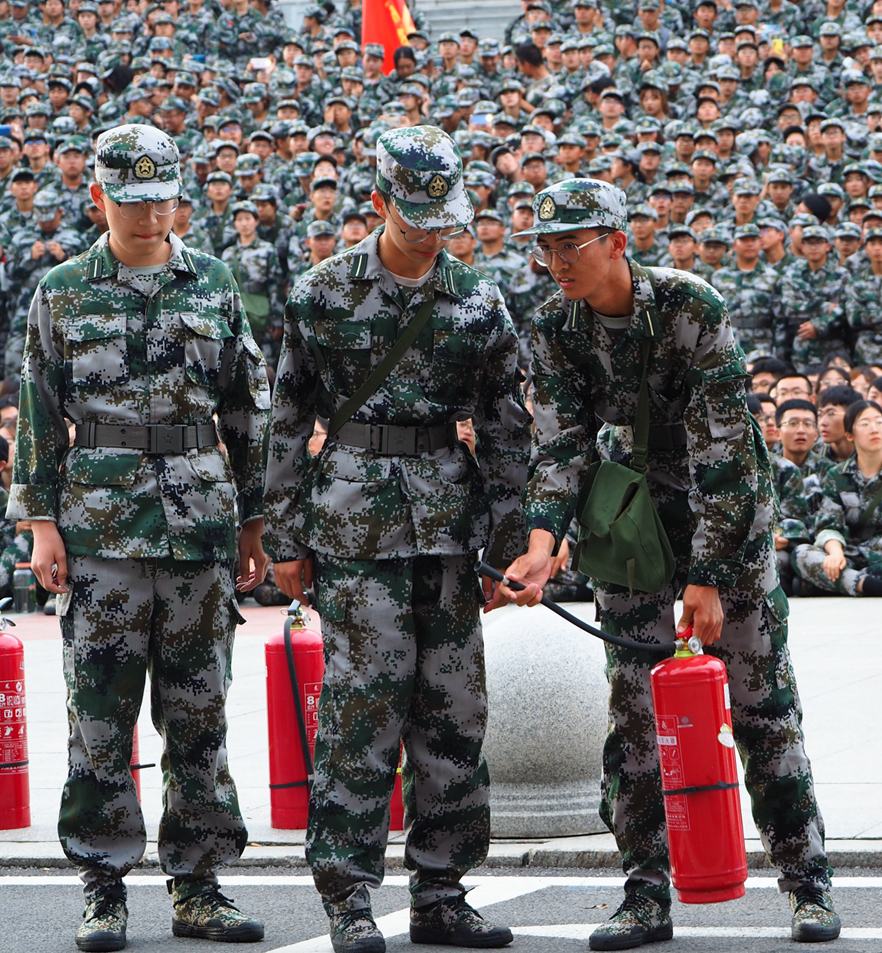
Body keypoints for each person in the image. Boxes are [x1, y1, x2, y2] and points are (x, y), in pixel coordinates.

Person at [493, 177, 841, 950]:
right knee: (635, 723)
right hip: (631, 530)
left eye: (571, 245)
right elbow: (559, 447)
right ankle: (644, 893)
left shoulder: (691, 308)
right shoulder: (553, 329)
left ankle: (807, 883)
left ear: (618, 242)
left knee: (760, 708)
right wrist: (543, 546)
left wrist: (711, 574)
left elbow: (725, 451)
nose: (556, 262)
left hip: (728, 527)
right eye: (545, 248)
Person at [263, 125, 529, 953]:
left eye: (443, 219)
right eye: (414, 218)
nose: (430, 233)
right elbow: (286, 419)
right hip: (352, 525)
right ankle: (347, 893)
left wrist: (504, 540)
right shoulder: (321, 294)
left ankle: (441, 891)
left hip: (447, 531)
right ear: (377, 203)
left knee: (453, 711)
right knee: (362, 707)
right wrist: (282, 533)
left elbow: (508, 428)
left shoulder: (480, 301)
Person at [8, 125, 270, 951]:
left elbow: (246, 410)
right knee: (100, 716)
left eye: (162, 197)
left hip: (198, 528)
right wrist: (41, 523)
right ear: (100, 200)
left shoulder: (216, 283)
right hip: (101, 532)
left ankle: (199, 886)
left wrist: (256, 520)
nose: (149, 214)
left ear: (179, 196)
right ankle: (103, 886)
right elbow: (40, 412)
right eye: (132, 199)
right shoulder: (62, 289)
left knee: (199, 717)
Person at [792, 399, 882, 598]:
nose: (874, 429)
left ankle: (830, 583)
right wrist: (835, 553)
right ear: (849, 434)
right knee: (802, 553)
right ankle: (870, 585)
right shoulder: (836, 475)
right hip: (847, 554)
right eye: (865, 424)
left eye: (879, 422)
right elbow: (828, 525)